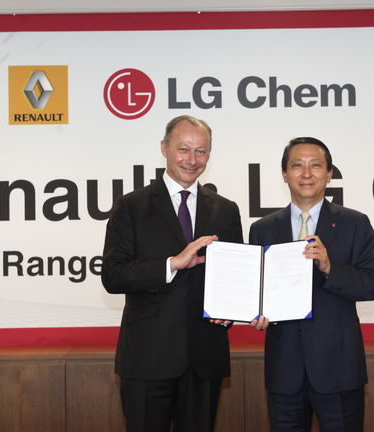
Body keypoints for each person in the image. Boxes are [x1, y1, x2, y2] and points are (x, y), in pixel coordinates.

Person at [101, 115, 243, 432]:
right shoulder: (131, 207)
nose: (192, 159)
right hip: (148, 358)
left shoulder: (226, 210)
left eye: (201, 151)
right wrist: (172, 264)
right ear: (164, 148)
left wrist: (231, 310)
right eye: (183, 149)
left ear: (209, 154)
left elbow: (235, 277)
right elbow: (113, 275)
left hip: (204, 358)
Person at [249, 137, 374, 432]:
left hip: (338, 369)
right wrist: (255, 311)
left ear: (329, 174)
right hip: (284, 372)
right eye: (297, 165)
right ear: (285, 174)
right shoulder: (263, 229)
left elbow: (373, 285)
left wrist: (330, 267)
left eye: (316, 165)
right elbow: (257, 291)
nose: (306, 173)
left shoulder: (355, 223)